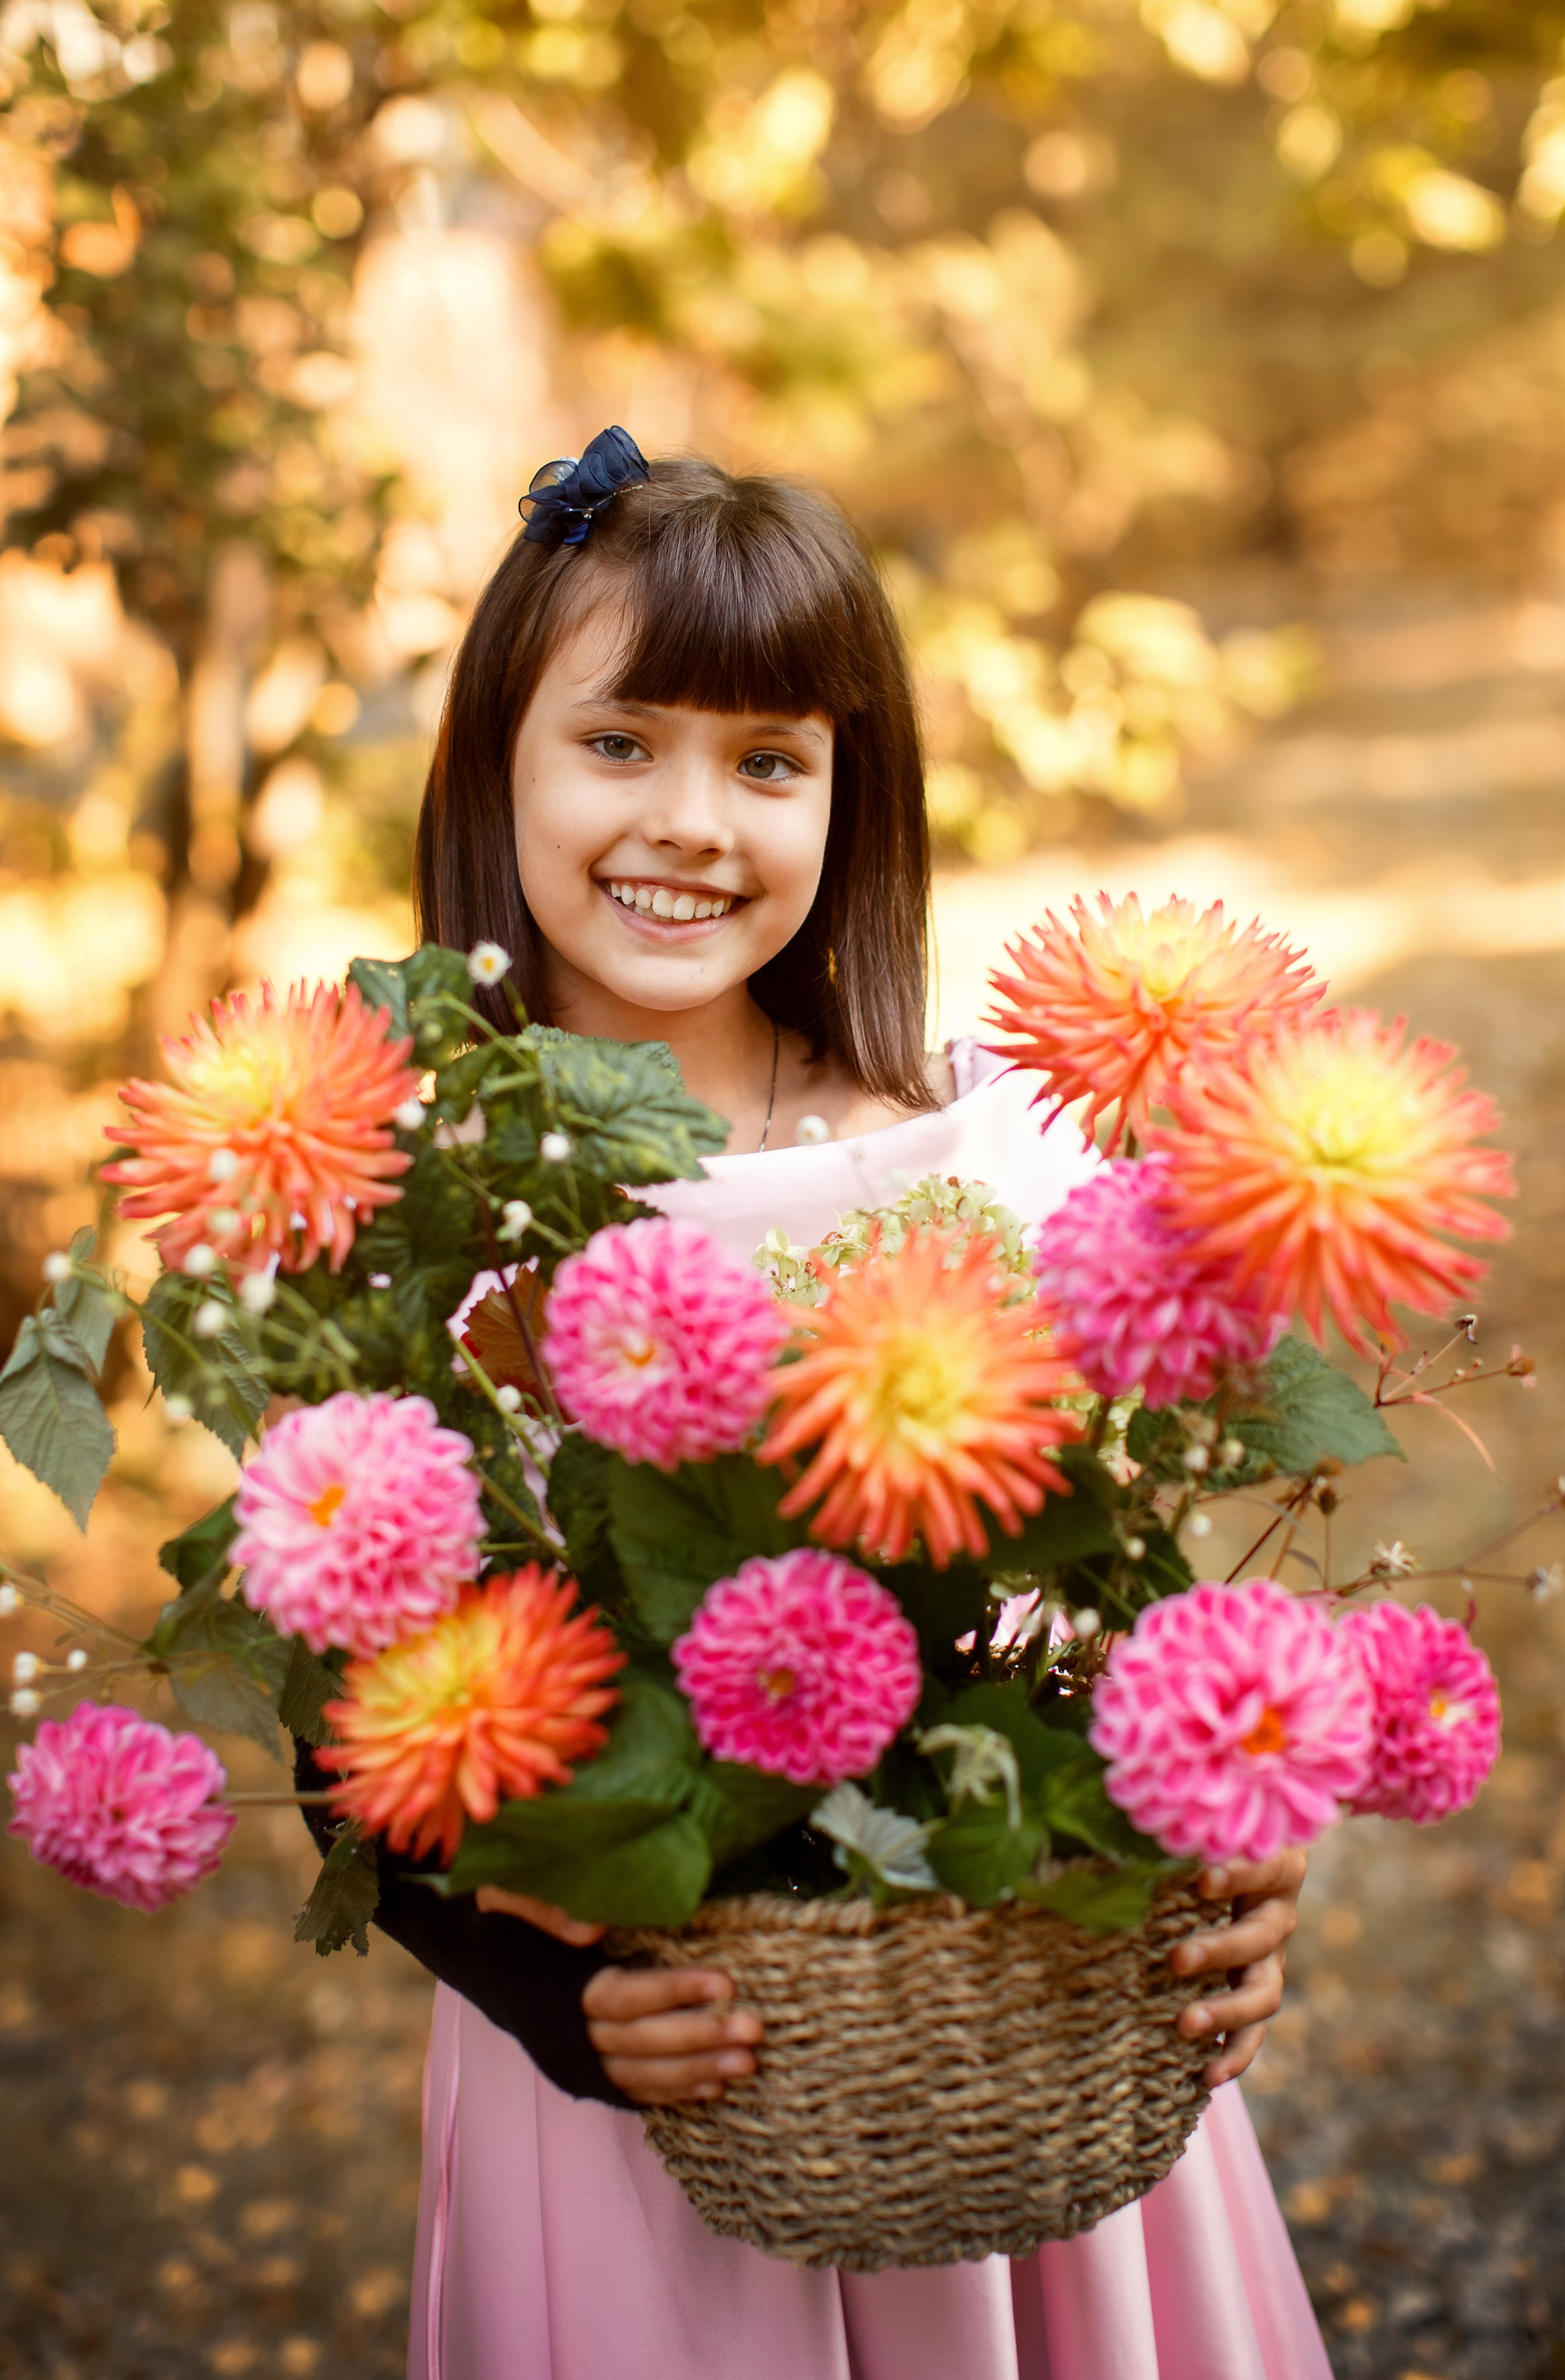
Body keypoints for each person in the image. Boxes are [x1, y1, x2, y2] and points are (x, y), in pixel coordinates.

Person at [329, 431, 1331, 2380]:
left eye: (769, 760)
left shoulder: (991, 1159)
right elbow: (351, 1729)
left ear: (851, 801)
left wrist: (1234, 1844)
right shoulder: (424, 1211)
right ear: (494, 766)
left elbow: (1107, 1628)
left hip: (1003, 2046)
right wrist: (555, 2003)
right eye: (620, 742)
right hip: (645, 2093)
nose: (692, 819)